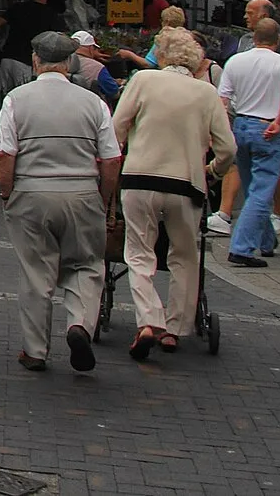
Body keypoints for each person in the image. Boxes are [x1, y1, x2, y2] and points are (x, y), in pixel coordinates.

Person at [0, 32, 121, 372]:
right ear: (70, 63)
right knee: (86, 264)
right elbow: (111, 159)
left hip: (32, 193)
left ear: (36, 61)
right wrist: (104, 199)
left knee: (36, 273)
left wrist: (7, 193)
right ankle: (79, 322)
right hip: (81, 193)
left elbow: (5, 154)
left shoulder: (15, 99)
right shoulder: (94, 103)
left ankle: (35, 350)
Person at [112, 26, 235, 359]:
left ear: (162, 55)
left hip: (139, 180)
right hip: (185, 185)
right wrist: (212, 171)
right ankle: (176, 328)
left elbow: (116, 128)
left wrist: (124, 152)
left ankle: (149, 321)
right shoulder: (206, 92)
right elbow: (227, 149)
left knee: (139, 254)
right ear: (195, 62)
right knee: (184, 256)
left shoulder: (143, 80)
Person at [216, 16, 280, 267]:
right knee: (262, 191)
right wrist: (279, 119)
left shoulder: (235, 61)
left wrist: (222, 130)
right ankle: (241, 247)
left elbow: (222, 99)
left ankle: (266, 240)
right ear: (278, 40)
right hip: (267, 128)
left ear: (254, 38)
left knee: (252, 186)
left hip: (241, 125)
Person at [0, 0, 59, 93]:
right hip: (27, 61)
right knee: (22, 95)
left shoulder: (18, 7)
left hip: (8, 56)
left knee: (1, 96)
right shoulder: (51, 15)